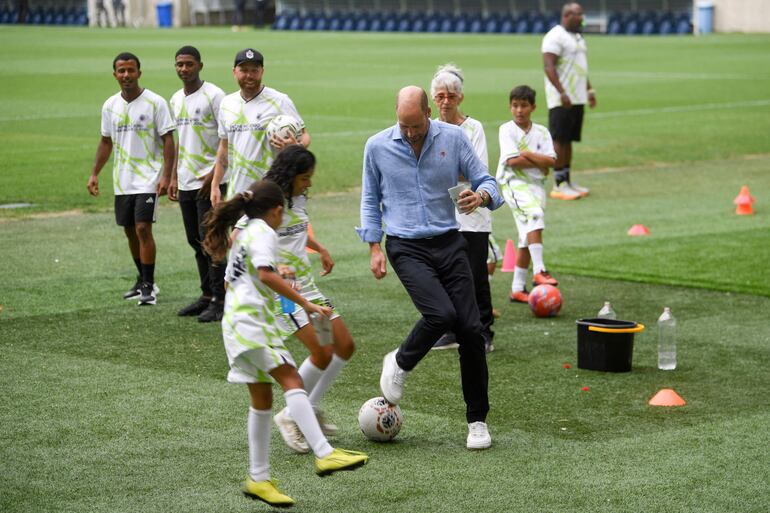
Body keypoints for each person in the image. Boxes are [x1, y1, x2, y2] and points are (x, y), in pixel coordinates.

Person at [202, 180, 368, 507]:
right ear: (277, 211)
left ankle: (258, 478)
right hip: (252, 322)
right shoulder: (264, 231)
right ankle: (325, 453)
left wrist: (273, 274)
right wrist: (305, 304)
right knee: (292, 378)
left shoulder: (245, 232)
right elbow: (265, 275)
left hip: (234, 324)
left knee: (262, 398)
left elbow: (229, 280)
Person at [358, 86, 503, 450]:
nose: (409, 133)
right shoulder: (376, 146)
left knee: (471, 330)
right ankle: (401, 361)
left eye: (416, 126)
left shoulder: (453, 138)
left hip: (449, 241)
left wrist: (481, 195)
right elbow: (369, 198)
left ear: (428, 113)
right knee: (440, 315)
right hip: (406, 246)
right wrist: (374, 247)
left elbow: (489, 182)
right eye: (403, 126)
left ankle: (477, 421)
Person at [262, 146, 356, 454]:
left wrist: (321, 248)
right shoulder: (267, 199)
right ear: (290, 176)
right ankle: (290, 415)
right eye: (305, 178)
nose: (310, 184)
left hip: (309, 287)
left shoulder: (297, 197)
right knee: (320, 351)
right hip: (285, 292)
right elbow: (245, 238)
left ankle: (309, 408)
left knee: (344, 345)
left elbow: (297, 228)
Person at [87, 52, 175, 306]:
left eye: (131, 70)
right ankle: (141, 279)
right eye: (121, 71)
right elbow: (106, 141)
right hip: (122, 179)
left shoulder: (156, 103)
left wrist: (166, 176)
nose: (126, 75)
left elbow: (169, 140)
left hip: (149, 177)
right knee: (129, 231)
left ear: (139, 72)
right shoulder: (110, 105)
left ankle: (149, 284)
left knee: (143, 228)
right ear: (115, 74)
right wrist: (94, 173)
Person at [428, 64, 495, 353]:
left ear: (460, 98)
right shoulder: (429, 128)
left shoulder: (473, 128)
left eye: (451, 96)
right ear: (433, 99)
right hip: (440, 214)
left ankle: (484, 331)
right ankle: (453, 330)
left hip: (472, 213)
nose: (445, 101)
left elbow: (477, 170)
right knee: (445, 273)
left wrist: (442, 173)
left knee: (475, 274)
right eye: (440, 96)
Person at [169, 46, 228, 322]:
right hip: (186, 180)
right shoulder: (175, 99)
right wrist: (172, 176)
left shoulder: (215, 96)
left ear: (200, 66)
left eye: (189, 64)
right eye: (179, 64)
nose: (184, 69)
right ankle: (206, 294)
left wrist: (214, 174)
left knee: (212, 240)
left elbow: (226, 137)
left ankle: (221, 299)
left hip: (210, 181)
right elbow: (181, 140)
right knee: (195, 240)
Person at [210, 48, 310, 206]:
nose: (249, 75)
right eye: (243, 70)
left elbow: (305, 135)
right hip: (237, 192)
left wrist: (296, 147)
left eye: (254, 70)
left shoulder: (279, 100)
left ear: (262, 71)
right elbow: (224, 148)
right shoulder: (227, 104)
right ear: (234, 72)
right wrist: (215, 185)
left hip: (270, 190)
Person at [496, 85, 558, 303]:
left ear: (533, 107)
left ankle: (517, 288)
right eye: (515, 105)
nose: (519, 110)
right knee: (534, 216)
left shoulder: (541, 132)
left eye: (523, 105)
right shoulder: (507, 130)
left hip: (536, 185)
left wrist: (527, 154)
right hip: (513, 182)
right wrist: (538, 160)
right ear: (510, 107)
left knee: (527, 235)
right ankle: (540, 270)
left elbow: (551, 161)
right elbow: (511, 161)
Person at [542, 2, 597, 200]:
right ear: (566, 16)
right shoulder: (554, 36)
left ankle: (568, 181)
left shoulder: (577, 37)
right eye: (578, 15)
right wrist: (561, 92)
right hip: (561, 98)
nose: (582, 18)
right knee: (559, 140)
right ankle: (558, 184)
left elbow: (580, 67)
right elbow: (549, 66)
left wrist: (589, 89)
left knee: (569, 139)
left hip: (577, 97)